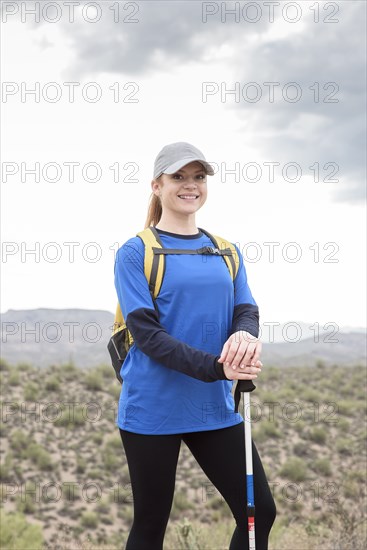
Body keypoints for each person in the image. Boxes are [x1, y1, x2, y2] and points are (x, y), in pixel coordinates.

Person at [114, 142, 276, 550]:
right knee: (151, 526)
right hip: (153, 410)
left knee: (259, 515)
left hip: (214, 408)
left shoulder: (226, 250)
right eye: (179, 177)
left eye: (198, 177)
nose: (191, 185)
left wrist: (244, 334)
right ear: (157, 185)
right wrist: (219, 368)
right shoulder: (136, 252)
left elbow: (247, 308)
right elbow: (149, 337)